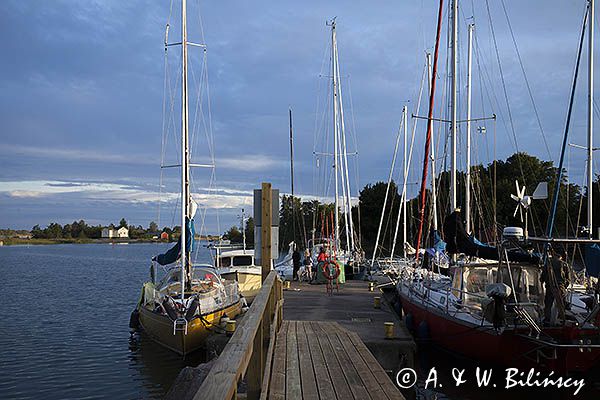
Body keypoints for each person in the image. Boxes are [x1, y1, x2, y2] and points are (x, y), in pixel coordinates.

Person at [541, 247, 571, 325]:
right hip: (561, 287)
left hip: (550, 286)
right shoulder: (564, 264)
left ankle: (547, 319)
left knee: (548, 303)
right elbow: (568, 279)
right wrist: (564, 286)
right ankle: (561, 319)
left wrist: (543, 281)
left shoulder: (548, 263)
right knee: (561, 304)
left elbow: (542, 277)